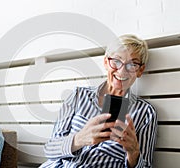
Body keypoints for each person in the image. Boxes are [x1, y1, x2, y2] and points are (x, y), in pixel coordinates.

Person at [40, 34, 158, 167]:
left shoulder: (145, 112)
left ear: (140, 70)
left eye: (132, 64)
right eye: (117, 61)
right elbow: (49, 149)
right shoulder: (78, 95)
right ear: (106, 62)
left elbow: (146, 165)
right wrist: (79, 139)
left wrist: (133, 152)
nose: (122, 71)